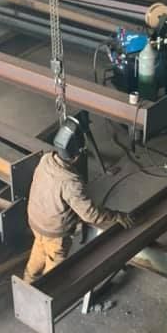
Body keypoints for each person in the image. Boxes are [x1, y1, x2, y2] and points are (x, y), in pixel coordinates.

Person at [23, 116, 134, 284]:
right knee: (54, 271)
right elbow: (90, 215)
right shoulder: (70, 182)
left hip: (36, 221)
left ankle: (27, 280)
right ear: (76, 156)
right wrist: (116, 215)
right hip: (55, 233)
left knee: (39, 248)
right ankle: (45, 292)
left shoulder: (46, 159)